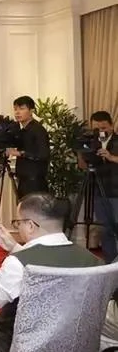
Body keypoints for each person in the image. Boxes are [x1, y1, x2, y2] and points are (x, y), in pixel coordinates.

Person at [0, 192, 102, 352]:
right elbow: (47, 259)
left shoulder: (18, 263)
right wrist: (14, 247)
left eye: (18, 223)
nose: (18, 227)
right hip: (75, 341)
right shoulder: (93, 260)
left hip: (23, 344)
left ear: (30, 226)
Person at [76, 111, 118, 262]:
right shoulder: (92, 143)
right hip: (98, 191)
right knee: (106, 229)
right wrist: (81, 151)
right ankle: (110, 262)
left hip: (116, 192)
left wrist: (111, 157)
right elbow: (82, 166)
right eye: (96, 128)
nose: (101, 131)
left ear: (112, 126)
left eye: (104, 127)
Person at [7, 95, 50, 199]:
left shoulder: (38, 130)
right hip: (23, 180)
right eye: (15, 109)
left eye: (22, 109)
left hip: (34, 182)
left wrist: (21, 153)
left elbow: (44, 154)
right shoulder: (22, 131)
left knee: (34, 213)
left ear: (31, 111)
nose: (17, 112)